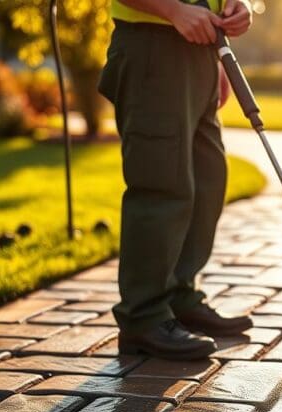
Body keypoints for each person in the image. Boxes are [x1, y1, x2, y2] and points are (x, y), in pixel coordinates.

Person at [98, 0, 254, 360]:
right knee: (161, 184)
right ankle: (144, 316)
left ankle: (179, 296)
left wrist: (238, 6)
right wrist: (174, 10)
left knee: (207, 179)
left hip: (199, 51)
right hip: (152, 45)